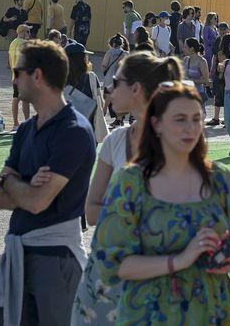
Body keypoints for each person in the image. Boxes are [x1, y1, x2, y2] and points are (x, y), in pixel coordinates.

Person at [93, 82, 230, 323]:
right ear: (156, 124)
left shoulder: (220, 180)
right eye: (180, 119)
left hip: (212, 312)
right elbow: (112, 263)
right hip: (149, 314)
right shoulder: (130, 183)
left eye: (196, 119)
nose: (191, 128)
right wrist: (180, 260)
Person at [73, 52, 182, 325]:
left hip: (159, 275)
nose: (108, 88)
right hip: (111, 272)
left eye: (116, 81)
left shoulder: (177, 143)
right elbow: (91, 211)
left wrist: (120, 213)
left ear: (136, 89)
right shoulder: (116, 140)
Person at [0, 40, 97, 326]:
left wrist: (12, 182)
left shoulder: (73, 131)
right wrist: (23, 185)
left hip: (56, 261)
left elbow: (37, 202)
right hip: (20, 257)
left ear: (37, 75)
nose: (13, 79)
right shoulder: (26, 129)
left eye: (18, 71)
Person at [65, 41, 109, 144]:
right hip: (88, 128)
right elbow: (100, 103)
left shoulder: (60, 78)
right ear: (84, 59)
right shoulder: (91, 77)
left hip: (66, 127)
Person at [9, 24, 33, 130]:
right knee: (23, 99)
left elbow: (9, 60)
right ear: (22, 32)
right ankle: (26, 122)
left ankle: (15, 123)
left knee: (16, 98)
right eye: (28, 31)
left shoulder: (13, 43)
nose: (29, 34)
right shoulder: (25, 44)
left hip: (15, 73)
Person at [183, 36, 213, 111]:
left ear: (192, 48)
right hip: (187, 93)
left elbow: (206, 80)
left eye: (185, 47)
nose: (183, 49)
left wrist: (192, 81)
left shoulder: (202, 61)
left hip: (198, 94)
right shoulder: (186, 59)